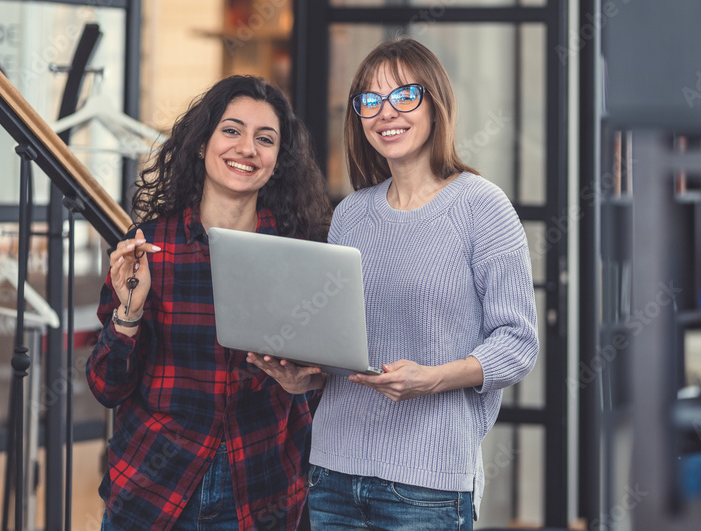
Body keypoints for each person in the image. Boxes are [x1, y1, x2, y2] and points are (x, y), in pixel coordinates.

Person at [249, 38, 539, 530]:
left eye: (404, 95)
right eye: (370, 100)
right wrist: (305, 378)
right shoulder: (351, 215)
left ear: (436, 104)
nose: (386, 112)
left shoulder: (481, 207)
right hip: (334, 470)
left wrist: (431, 379)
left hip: (427, 484)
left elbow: (518, 344)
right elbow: (345, 353)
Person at [86, 75, 332, 531]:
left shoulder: (302, 252)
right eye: (232, 130)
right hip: (152, 492)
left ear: (278, 161)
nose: (247, 148)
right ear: (203, 144)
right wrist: (129, 315)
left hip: (263, 491)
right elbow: (106, 387)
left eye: (265, 139)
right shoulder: (149, 247)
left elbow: (322, 375)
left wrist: (307, 379)